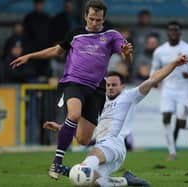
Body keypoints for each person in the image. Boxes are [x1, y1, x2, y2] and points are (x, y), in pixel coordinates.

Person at [10, 0, 133, 180]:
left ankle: (62, 129)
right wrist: (29, 56)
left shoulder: (112, 35)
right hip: (73, 82)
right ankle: (57, 162)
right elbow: (56, 51)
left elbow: (126, 60)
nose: (95, 23)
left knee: (83, 139)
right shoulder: (75, 34)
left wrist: (127, 53)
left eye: (98, 20)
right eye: (91, 18)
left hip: (97, 89)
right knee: (74, 115)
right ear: (85, 16)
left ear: (104, 19)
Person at [43, 54, 188, 186]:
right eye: (108, 85)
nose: (110, 88)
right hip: (112, 151)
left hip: (112, 145)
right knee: (94, 182)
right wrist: (61, 128)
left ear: (122, 86)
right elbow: (86, 134)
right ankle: (126, 180)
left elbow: (153, 79)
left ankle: (71, 171)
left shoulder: (129, 96)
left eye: (114, 85)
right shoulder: (100, 103)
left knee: (85, 168)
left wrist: (174, 63)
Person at [150, 21, 188, 160]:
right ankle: (172, 152)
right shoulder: (160, 51)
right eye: (171, 30)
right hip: (167, 88)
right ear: (167, 33)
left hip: (184, 89)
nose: (173, 33)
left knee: (180, 123)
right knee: (166, 117)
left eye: (176, 30)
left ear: (181, 33)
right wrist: (154, 80)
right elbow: (154, 68)